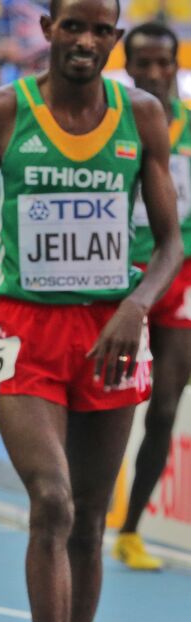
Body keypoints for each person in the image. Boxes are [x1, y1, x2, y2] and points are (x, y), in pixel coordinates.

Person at [0, 0, 182, 622]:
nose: (84, 42)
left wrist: (135, 306)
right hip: (22, 331)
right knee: (51, 499)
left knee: (86, 525)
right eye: (70, 26)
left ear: (113, 37)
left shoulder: (141, 116)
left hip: (110, 334)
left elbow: (173, 239)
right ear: (44, 29)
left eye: (98, 30)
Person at [112, 22, 191, 570]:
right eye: (146, 63)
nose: (157, 74)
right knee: (98, 399)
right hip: (115, 276)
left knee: (164, 405)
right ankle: (83, 506)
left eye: (167, 63)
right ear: (130, 64)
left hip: (179, 278)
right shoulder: (110, 117)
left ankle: (131, 529)